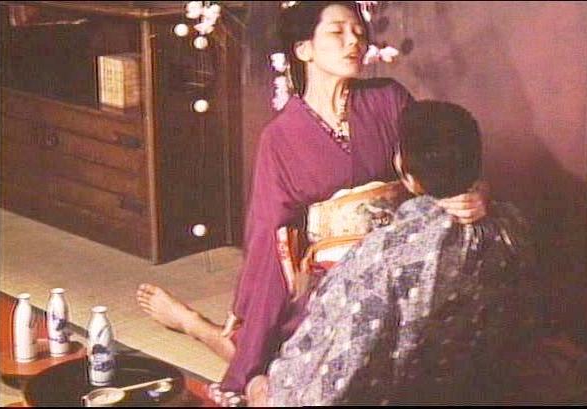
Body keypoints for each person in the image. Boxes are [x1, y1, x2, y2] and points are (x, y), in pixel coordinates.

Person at [136, 1, 488, 396]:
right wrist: (252, 319)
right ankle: (194, 323)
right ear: (303, 49)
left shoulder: (388, 98)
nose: (353, 41)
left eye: (358, 32)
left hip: (401, 263)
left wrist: (472, 192)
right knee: (275, 363)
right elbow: (270, 236)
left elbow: (441, 156)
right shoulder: (280, 138)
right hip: (333, 282)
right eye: (338, 32)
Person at [245, 101, 539, 406]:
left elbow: (333, 380)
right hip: (479, 390)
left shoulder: (385, 256)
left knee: (261, 386)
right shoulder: (511, 226)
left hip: (399, 395)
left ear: (408, 175)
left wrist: (267, 391)